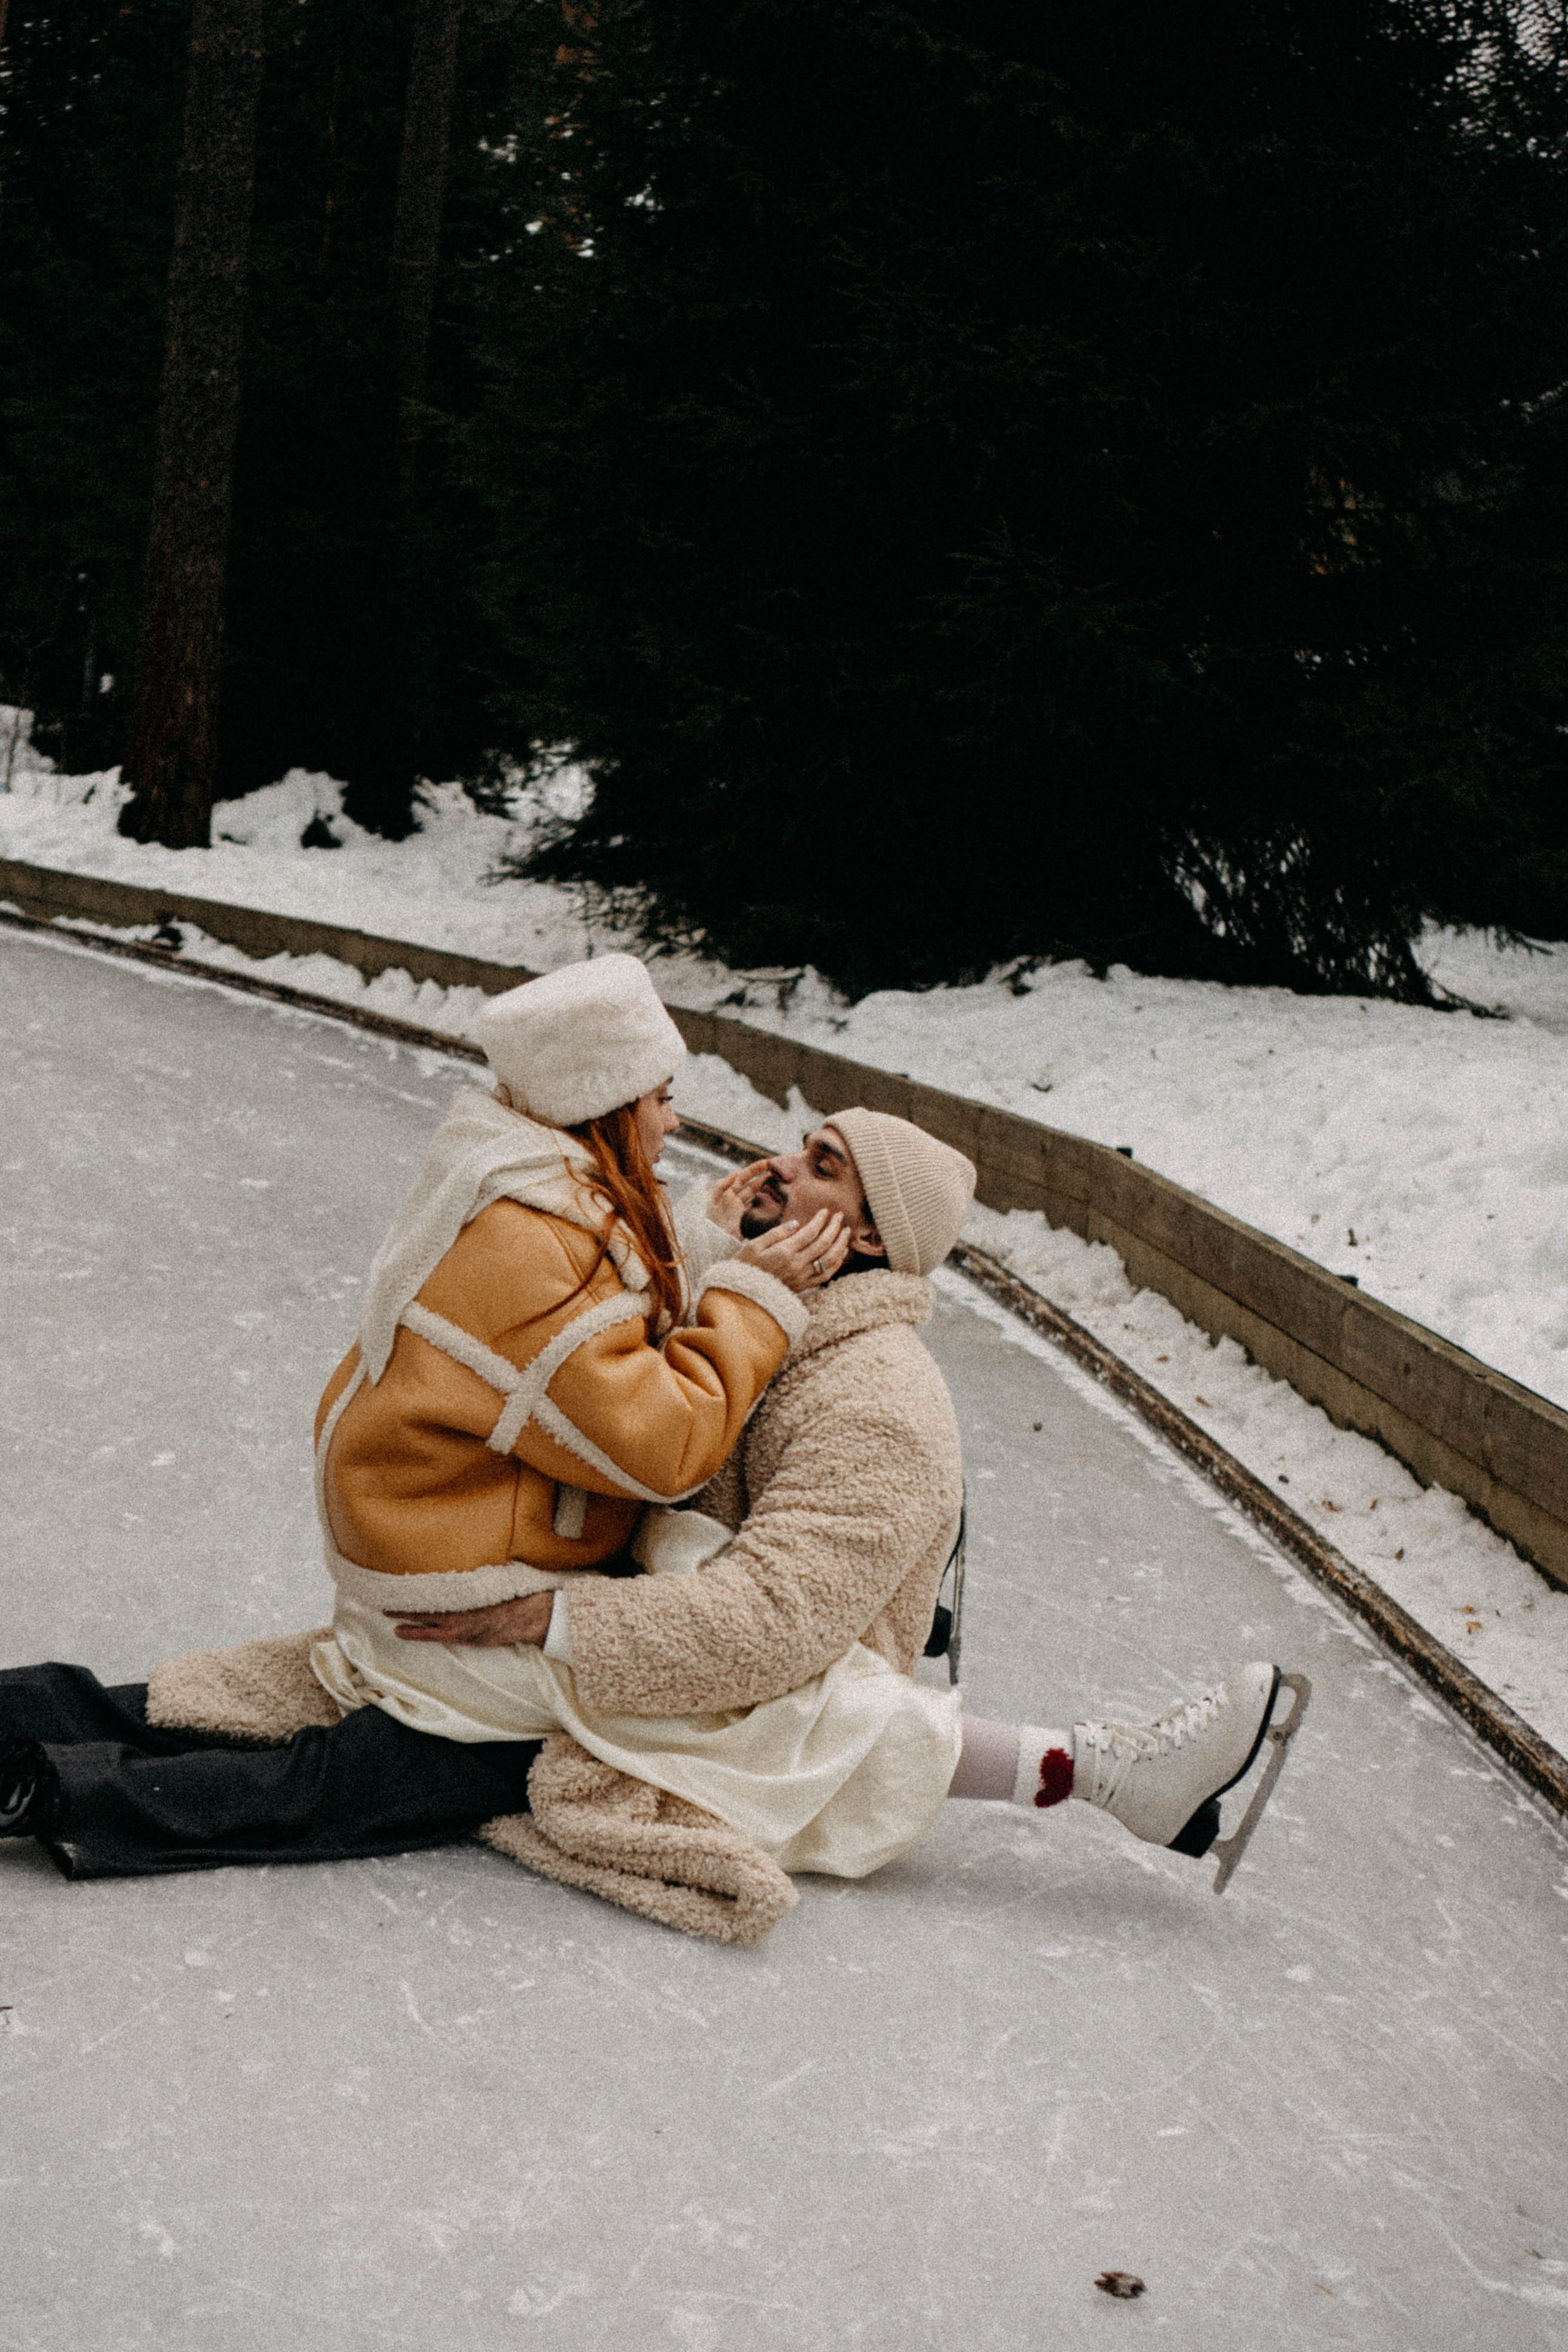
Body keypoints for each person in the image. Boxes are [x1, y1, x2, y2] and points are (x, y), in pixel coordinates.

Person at [2, 1037, 1300, 1931]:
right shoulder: (768, 1307)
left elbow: (770, 1629)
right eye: (797, 1146)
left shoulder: (878, 1404)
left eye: (822, 1169)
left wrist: (554, 1620)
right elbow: (629, 1389)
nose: (779, 1168)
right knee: (296, 1682)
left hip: (694, 1686)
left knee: (382, 1764)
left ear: (861, 1238)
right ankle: (23, 1724)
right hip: (592, 1627)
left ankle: (46, 1788)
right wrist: (694, 1244)